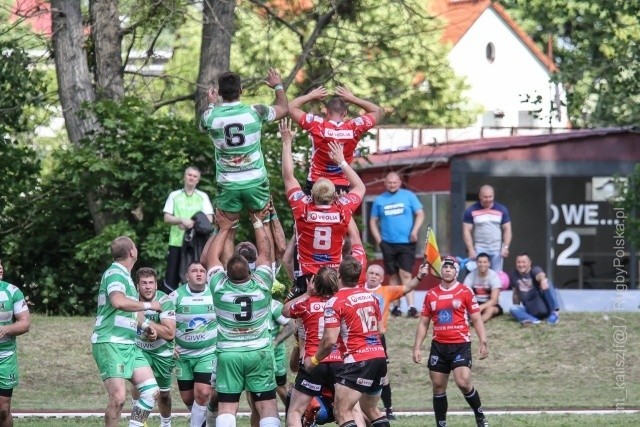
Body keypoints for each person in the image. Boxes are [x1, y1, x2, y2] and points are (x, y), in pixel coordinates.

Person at [200, 68, 288, 261]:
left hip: (228, 183)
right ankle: (269, 274)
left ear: (220, 93)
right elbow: (283, 109)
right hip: (255, 181)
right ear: (241, 89)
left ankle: (226, 277)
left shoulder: (211, 118)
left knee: (228, 230)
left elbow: (203, 123)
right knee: (262, 224)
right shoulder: (255, 111)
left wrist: (211, 105)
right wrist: (278, 86)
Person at [202, 208, 280, 427]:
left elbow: (211, 258)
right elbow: (265, 253)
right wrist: (257, 222)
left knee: (227, 407)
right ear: (250, 270)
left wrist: (224, 228)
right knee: (267, 405)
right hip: (259, 352)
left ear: (226, 272)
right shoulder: (263, 283)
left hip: (229, 353)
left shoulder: (219, 287)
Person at [281, 118, 365, 298]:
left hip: (307, 276)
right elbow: (360, 187)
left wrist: (287, 142)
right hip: (332, 275)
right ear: (334, 196)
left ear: (312, 195)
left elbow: (289, 177)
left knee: (305, 318)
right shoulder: (341, 210)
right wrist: (342, 161)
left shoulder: (303, 209)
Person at [303, 256, 390, 427]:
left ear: (339, 275)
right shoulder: (371, 297)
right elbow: (380, 330)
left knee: (341, 412)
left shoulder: (335, 301)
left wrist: (313, 361)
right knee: (371, 409)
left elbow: (329, 341)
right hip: (379, 357)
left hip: (358, 360)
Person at [91, 236, 162, 427]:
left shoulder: (126, 277)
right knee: (118, 399)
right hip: (111, 342)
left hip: (129, 345)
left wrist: (146, 326)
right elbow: (118, 302)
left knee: (151, 391)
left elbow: (131, 311)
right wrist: (150, 305)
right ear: (132, 252)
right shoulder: (115, 273)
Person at [413, 256, 489, 427]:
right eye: (444, 267)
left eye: (451, 267)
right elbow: (424, 322)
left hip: (460, 344)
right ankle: (441, 424)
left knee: (463, 382)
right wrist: (417, 347)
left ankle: (480, 416)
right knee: (438, 387)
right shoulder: (431, 294)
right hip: (439, 346)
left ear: (456, 271)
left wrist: (483, 341)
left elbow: (476, 319)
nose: (447, 270)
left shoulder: (465, 291)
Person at [363, 262, 429, 420]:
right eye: (371, 273)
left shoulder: (386, 291)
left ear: (381, 279)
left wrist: (419, 276)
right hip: (358, 339)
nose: (373, 276)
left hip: (378, 339)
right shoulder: (356, 290)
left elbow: (407, 288)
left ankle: (388, 409)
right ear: (365, 275)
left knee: (383, 376)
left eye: (377, 274)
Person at [288, 85, 383, 193]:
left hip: (316, 182)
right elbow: (378, 111)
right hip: (341, 184)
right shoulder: (354, 127)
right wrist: (353, 99)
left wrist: (311, 96)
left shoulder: (317, 125)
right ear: (345, 113)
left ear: (326, 112)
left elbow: (290, 107)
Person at [283, 267, 343, 427]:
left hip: (313, 360)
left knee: (295, 412)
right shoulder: (341, 302)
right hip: (338, 360)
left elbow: (285, 310)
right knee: (350, 412)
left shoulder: (307, 303)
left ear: (315, 284)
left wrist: (308, 293)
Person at [369, 171, 424, 318]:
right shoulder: (379, 200)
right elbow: (373, 221)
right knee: (393, 275)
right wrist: (379, 240)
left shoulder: (409, 196)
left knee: (405, 273)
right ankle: (395, 307)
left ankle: (411, 306)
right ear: (385, 183)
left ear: (399, 182)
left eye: (395, 182)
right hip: (388, 243)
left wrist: (415, 230)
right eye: (389, 182)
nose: (392, 185)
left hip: (406, 242)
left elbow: (420, 213)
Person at [169, 261, 218, 427]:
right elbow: (163, 321)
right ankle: (207, 418)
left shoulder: (215, 294)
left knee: (203, 394)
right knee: (188, 398)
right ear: (187, 276)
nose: (199, 274)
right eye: (194, 271)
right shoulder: (176, 296)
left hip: (208, 353)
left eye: (202, 271)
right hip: (183, 356)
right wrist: (169, 344)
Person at [133, 268, 176, 427]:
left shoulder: (165, 301)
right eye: (144, 283)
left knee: (163, 394)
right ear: (137, 286)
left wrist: (146, 324)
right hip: (139, 349)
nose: (148, 286)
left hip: (161, 353)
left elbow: (170, 333)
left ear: (156, 285)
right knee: (139, 385)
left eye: (151, 283)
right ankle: (139, 421)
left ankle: (166, 423)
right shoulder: (131, 301)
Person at [163, 166, 214, 292]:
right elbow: (167, 217)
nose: (191, 178)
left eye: (195, 176)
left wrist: (192, 223)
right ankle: (171, 305)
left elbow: (209, 219)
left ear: (198, 180)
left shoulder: (203, 196)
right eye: (189, 175)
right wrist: (181, 220)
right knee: (172, 276)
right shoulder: (174, 195)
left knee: (196, 274)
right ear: (184, 177)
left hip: (196, 244)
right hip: (176, 242)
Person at [0, 259, 30, 427]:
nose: (0, 268)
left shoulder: (12, 291)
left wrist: (5, 329)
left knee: (3, 410)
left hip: (5, 357)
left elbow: (25, 323)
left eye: (0, 263)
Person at [462, 185, 512, 273]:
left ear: (494, 196)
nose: (488, 199)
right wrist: (470, 249)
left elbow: (507, 229)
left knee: (496, 276)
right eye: (485, 197)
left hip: (496, 248)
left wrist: (505, 247)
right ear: (480, 196)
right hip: (479, 248)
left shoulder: (502, 209)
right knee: (476, 274)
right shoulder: (470, 210)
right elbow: (466, 230)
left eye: (490, 197)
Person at [509, 253, 560, 325]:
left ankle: (554, 313)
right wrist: (516, 306)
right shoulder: (514, 274)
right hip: (530, 309)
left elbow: (540, 275)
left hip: (544, 307)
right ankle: (532, 320)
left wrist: (542, 280)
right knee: (513, 308)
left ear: (529, 263)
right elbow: (515, 293)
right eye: (518, 262)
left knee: (547, 282)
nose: (521, 265)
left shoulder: (534, 270)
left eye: (523, 262)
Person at [463, 253, 503, 323]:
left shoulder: (494, 276)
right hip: (474, 303)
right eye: (480, 262)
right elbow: (464, 294)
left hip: (489, 304)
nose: (482, 264)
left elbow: (494, 300)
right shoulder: (470, 276)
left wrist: (481, 307)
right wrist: (473, 307)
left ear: (489, 264)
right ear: (476, 263)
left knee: (491, 310)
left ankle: (477, 322)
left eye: (485, 262)